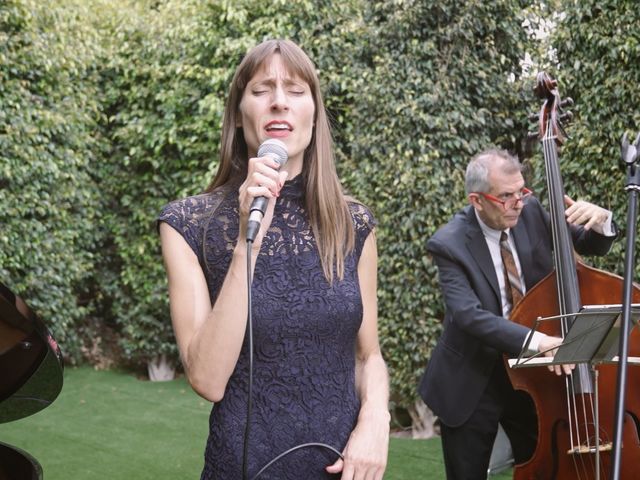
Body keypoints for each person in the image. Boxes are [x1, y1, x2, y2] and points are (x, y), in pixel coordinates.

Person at [157, 39, 389, 480]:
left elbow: (368, 356)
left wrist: (376, 421)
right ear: (240, 111)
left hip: (342, 468)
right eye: (262, 89)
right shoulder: (188, 224)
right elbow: (207, 379)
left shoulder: (353, 224)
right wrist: (250, 241)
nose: (280, 102)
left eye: (296, 91)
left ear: (314, 114)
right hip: (244, 467)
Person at [418, 148, 617, 479]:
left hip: (531, 376)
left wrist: (601, 222)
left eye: (521, 191)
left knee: (542, 466)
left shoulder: (532, 211)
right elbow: (468, 316)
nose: (518, 203)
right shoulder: (448, 244)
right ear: (477, 200)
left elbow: (584, 243)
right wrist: (539, 341)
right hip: (474, 377)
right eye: (506, 196)